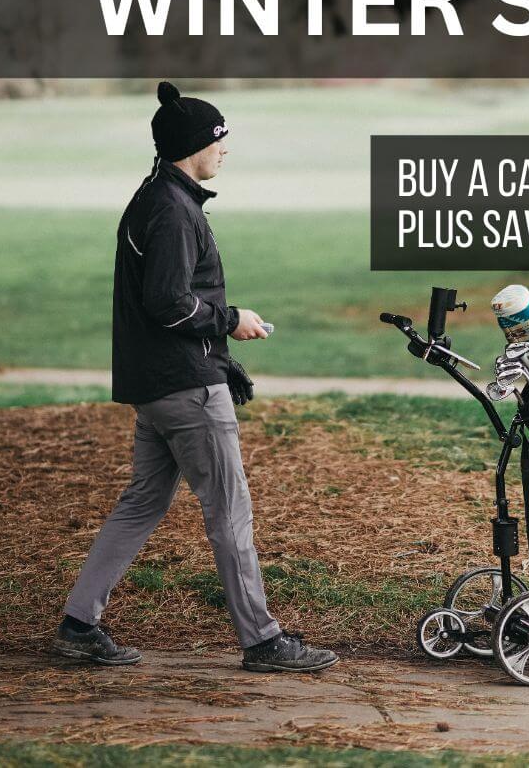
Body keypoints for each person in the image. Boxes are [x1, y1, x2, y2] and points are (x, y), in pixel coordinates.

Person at [52, 81, 338, 674]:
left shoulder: (156, 198)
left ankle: (78, 625)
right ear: (191, 146)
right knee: (229, 514)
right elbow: (169, 302)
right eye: (218, 139)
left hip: (156, 389)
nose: (225, 148)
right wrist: (231, 321)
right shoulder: (173, 210)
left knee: (141, 505)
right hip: (187, 388)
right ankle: (262, 641)